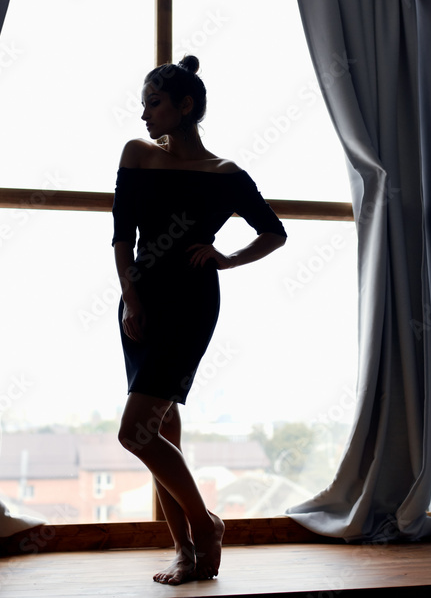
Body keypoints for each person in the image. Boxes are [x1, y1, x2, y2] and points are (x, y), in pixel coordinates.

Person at [112, 55, 287, 584]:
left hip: (190, 304)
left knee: (136, 432)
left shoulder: (226, 176)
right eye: (144, 103)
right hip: (139, 300)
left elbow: (274, 232)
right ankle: (186, 553)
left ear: (185, 106)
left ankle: (206, 525)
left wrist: (227, 258)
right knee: (163, 427)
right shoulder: (137, 155)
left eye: (154, 103)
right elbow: (121, 236)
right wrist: (133, 299)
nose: (144, 114)